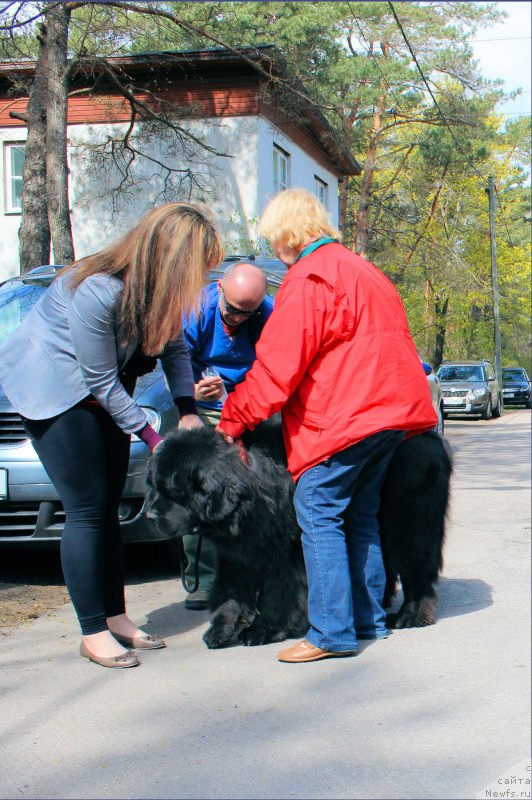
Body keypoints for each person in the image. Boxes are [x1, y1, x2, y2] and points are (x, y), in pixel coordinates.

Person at [0, 203, 224, 669]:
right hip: (55, 391)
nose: (202, 276)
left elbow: (175, 347)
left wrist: (188, 412)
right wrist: (157, 442)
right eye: (199, 264)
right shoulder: (98, 289)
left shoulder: (159, 291)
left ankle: (117, 618)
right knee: (87, 511)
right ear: (173, 256)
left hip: (99, 393)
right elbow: (99, 380)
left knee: (108, 508)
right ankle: (93, 631)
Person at [216, 188, 438, 663]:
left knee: (318, 510)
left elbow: (278, 369)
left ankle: (330, 633)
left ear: (287, 234)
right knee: (360, 516)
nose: (274, 247)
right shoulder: (366, 271)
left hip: (346, 417)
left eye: (274, 238)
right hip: (392, 416)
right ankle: (367, 621)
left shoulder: (309, 279)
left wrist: (231, 421)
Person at [180, 261, 274, 609]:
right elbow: (172, 364)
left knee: (259, 493)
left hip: (252, 408)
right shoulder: (196, 310)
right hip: (204, 409)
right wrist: (192, 393)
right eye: (232, 311)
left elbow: (277, 365)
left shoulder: (268, 314)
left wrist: (247, 402)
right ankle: (203, 580)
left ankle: (259, 577)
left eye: (246, 314)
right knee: (202, 492)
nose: (237, 319)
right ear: (220, 287)